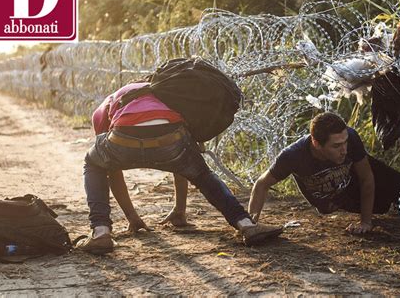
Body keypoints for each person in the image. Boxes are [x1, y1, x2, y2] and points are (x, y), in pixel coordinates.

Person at [77, 82, 283, 254]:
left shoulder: (108, 104)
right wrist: (180, 209)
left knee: (94, 163)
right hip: (171, 138)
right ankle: (246, 225)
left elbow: (112, 170)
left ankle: (101, 231)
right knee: (203, 175)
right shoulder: (167, 94)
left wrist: (132, 216)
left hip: (124, 136)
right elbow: (182, 165)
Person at [249, 111, 400, 234]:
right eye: (336, 146)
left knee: (387, 176)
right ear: (316, 143)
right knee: (382, 206)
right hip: (335, 198)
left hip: (352, 179)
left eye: (345, 142)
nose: (344, 150)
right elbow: (261, 184)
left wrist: (365, 222)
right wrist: (251, 226)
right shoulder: (293, 155)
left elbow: (367, 178)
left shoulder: (351, 138)